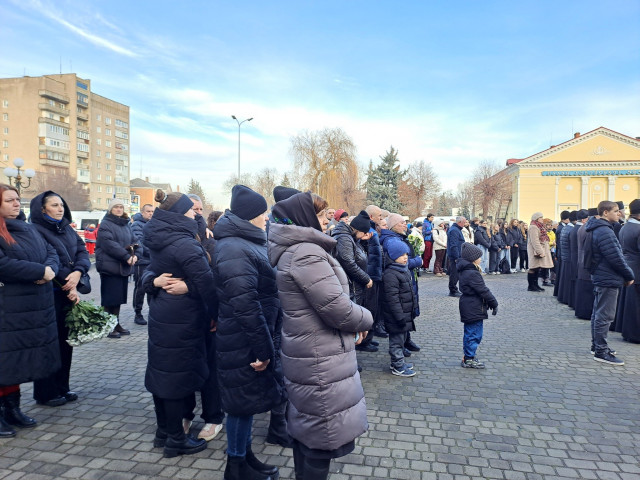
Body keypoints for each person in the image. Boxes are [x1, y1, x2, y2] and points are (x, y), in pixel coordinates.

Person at [268, 191, 373, 480]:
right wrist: (366, 318)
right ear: (304, 218)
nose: (327, 219)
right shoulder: (306, 253)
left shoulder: (300, 250)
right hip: (319, 354)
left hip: (311, 349)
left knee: (310, 428)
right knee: (321, 434)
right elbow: (337, 308)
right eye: (320, 214)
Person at [214, 185, 285, 480]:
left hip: (250, 333)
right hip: (242, 337)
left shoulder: (246, 242)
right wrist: (262, 349)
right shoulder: (234, 247)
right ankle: (236, 466)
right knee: (240, 404)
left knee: (247, 401)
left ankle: (245, 456)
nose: (266, 217)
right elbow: (245, 304)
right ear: (249, 215)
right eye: (262, 212)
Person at [142, 190, 216, 458]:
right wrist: (215, 315)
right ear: (179, 215)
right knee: (176, 378)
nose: (194, 215)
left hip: (162, 312)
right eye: (190, 211)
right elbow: (207, 285)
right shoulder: (185, 244)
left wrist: (153, 282)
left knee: (163, 372)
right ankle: (176, 440)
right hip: (183, 317)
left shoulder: (159, 237)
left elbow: (149, 270)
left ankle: (163, 432)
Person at [0, 184, 60, 438]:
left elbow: (50, 252)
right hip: (7, 309)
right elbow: (3, 264)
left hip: (29, 309)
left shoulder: (27, 228)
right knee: (3, 360)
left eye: (17, 199)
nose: (16, 203)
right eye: (9, 200)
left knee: (14, 362)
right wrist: (38, 271)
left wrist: (49, 270)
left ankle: (12, 409)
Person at [30, 191, 90, 408]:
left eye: (61, 205)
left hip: (68, 290)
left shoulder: (66, 228)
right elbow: (46, 259)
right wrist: (68, 278)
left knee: (65, 342)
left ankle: (62, 387)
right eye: (54, 205)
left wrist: (78, 272)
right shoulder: (35, 230)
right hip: (49, 293)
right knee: (49, 344)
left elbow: (82, 251)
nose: (60, 208)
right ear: (42, 209)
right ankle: (45, 392)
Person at [584, 201, 634, 366]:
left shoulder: (599, 228)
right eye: (616, 211)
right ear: (605, 212)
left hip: (602, 275)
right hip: (607, 277)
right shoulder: (604, 231)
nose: (619, 213)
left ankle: (597, 346)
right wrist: (629, 275)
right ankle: (601, 351)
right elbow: (616, 257)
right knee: (604, 315)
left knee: (598, 313)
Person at [331, 211, 375, 352]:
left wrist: (363, 241)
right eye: (363, 233)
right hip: (350, 286)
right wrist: (365, 278)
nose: (364, 236)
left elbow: (356, 255)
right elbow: (348, 262)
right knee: (351, 324)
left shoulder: (349, 237)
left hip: (353, 285)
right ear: (358, 229)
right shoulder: (344, 238)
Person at [95, 198, 137, 338]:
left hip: (122, 266)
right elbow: (109, 244)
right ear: (110, 209)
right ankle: (107, 326)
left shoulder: (126, 224)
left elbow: (135, 240)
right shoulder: (105, 224)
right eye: (116, 207)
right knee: (109, 298)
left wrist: (135, 255)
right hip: (109, 266)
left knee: (118, 298)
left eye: (121, 207)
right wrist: (126, 257)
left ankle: (116, 323)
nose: (119, 209)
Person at [380, 214, 422, 353]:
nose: (405, 225)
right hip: (400, 279)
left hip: (405, 278)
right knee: (402, 312)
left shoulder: (399, 238)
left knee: (407, 311)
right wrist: (418, 261)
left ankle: (406, 340)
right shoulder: (392, 241)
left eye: (405, 222)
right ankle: (400, 347)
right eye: (401, 223)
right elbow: (400, 261)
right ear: (393, 226)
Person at [457, 243, 498, 369]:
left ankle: (468, 356)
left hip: (470, 305)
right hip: (473, 306)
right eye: (479, 257)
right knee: (474, 334)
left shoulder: (467, 270)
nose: (481, 259)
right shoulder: (472, 273)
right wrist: (493, 302)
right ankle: (469, 358)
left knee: (471, 332)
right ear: (473, 259)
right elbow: (483, 290)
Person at [383, 242, 418, 377]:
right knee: (396, 342)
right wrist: (399, 316)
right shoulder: (391, 274)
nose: (405, 257)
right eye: (401, 255)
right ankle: (398, 366)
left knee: (401, 339)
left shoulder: (403, 269)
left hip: (404, 313)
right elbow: (392, 299)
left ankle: (397, 362)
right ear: (393, 256)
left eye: (406, 254)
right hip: (397, 316)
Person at [614, 198, 640, 342]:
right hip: (637, 270)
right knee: (635, 305)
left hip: (628, 267)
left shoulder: (625, 226)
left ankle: (627, 331)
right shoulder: (638, 229)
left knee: (628, 303)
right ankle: (635, 334)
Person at [131, 203, 154, 325]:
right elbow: (139, 243)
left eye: (152, 211)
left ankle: (152, 311)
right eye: (148, 211)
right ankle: (138, 313)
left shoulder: (154, 224)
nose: (150, 213)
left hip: (153, 261)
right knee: (140, 287)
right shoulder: (137, 225)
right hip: (142, 261)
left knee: (152, 286)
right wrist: (153, 253)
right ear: (142, 212)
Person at [575, 212, 596, 320]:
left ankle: (582, 311)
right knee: (587, 291)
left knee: (583, 289)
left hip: (582, 261)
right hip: (586, 262)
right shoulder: (588, 229)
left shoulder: (582, 227)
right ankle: (585, 313)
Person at [526, 213, 554, 292]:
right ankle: (531, 286)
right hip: (535, 251)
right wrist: (540, 251)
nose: (542, 219)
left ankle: (536, 285)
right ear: (537, 218)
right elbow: (535, 241)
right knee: (533, 268)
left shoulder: (539, 226)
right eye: (541, 217)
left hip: (539, 250)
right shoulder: (533, 227)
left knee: (537, 268)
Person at [557, 211, 577, 304]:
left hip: (565, 256)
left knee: (564, 280)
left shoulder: (565, 228)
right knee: (567, 281)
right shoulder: (570, 229)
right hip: (568, 257)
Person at [446, 216, 466, 297]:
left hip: (457, 255)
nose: (465, 224)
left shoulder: (456, 229)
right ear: (459, 222)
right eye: (464, 222)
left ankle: (454, 289)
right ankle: (453, 290)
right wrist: (456, 257)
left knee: (456, 273)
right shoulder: (454, 230)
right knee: (454, 273)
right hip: (455, 256)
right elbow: (453, 245)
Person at [553, 211, 570, 296]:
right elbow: (559, 243)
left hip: (560, 253)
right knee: (560, 273)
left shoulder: (561, 227)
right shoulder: (561, 228)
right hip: (561, 253)